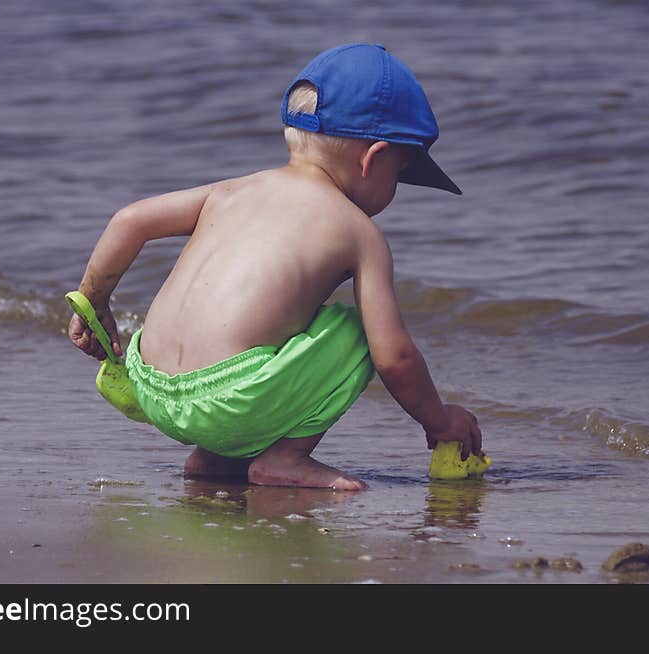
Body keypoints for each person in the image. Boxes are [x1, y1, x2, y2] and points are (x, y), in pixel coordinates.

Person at [68, 43, 483, 490]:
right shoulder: (359, 233)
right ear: (373, 158)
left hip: (151, 387)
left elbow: (128, 220)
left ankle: (213, 460)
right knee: (358, 327)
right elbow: (394, 358)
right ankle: (284, 458)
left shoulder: (231, 191)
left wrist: (93, 302)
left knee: (269, 325)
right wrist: (441, 422)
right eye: (400, 173)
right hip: (227, 404)